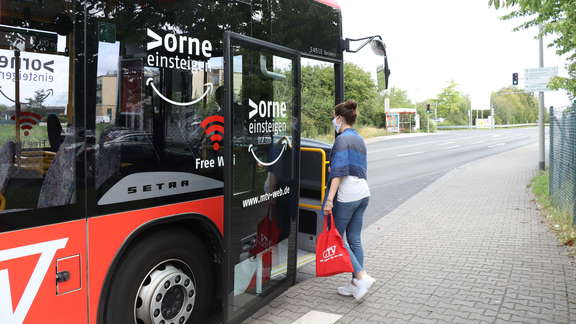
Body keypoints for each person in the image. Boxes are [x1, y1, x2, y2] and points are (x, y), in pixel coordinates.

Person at [323, 99, 374, 300]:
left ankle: (361, 277)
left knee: (337, 237)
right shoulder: (359, 139)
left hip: (348, 195)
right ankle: (355, 284)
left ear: (340, 118)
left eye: (334, 117)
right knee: (354, 239)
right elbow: (355, 166)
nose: (333, 120)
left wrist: (329, 200)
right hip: (363, 192)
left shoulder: (342, 140)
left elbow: (339, 173)